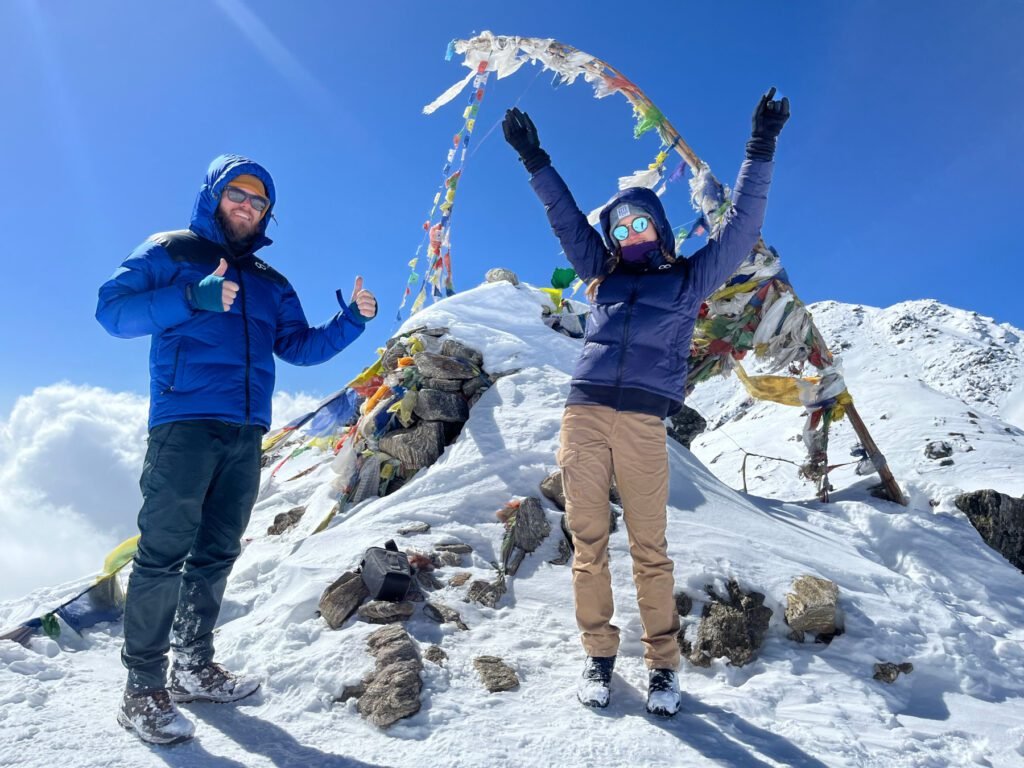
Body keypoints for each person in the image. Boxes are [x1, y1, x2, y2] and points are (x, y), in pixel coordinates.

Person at [502, 89, 788, 716]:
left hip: (641, 424)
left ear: (659, 230)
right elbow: (566, 219)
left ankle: (662, 664)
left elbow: (741, 229)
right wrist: (535, 160)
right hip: (583, 414)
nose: (629, 233)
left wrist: (758, 148)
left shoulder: (688, 280)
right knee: (589, 540)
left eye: (640, 224)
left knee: (650, 548)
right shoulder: (601, 274)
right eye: (620, 226)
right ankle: (599, 654)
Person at [96, 154, 377, 744]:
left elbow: (298, 347)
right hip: (184, 424)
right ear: (214, 196)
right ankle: (142, 688)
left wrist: (351, 320)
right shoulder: (169, 250)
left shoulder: (272, 283)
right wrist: (189, 299)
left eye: (259, 201)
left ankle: (193, 666)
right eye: (237, 195)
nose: (248, 208)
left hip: (247, 432)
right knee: (162, 554)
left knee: (217, 553)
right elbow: (112, 312)